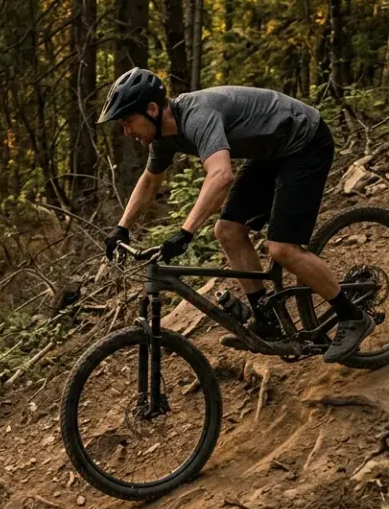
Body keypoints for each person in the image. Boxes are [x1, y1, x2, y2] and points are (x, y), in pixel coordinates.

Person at [99, 67, 371, 363]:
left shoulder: (197, 116)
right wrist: (121, 228)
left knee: (282, 248)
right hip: (271, 151)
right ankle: (268, 321)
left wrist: (186, 232)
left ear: (152, 109)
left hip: (305, 141)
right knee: (227, 231)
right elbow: (150, 181)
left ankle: (352, 315)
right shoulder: (163, 137)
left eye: (128, 121)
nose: (126, 132)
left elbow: (220, 175)